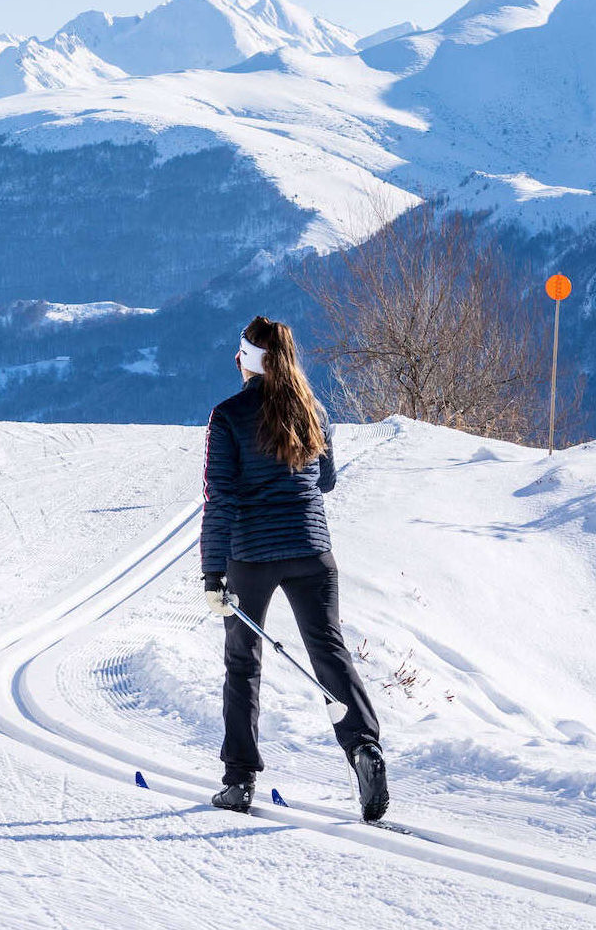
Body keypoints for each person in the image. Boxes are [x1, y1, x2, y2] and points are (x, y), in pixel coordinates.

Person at [200, 315, 388, 820]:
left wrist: (211, 572)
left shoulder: (228, 415)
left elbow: (219, 498)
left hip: (252, 554)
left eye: (240, 352)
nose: (236, 360)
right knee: (329, 651)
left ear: (252, 359)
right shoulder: (314, 409)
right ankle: (364, 748)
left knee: (243, 662)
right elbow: (324, 481)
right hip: (312, 551)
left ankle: (239, 781)